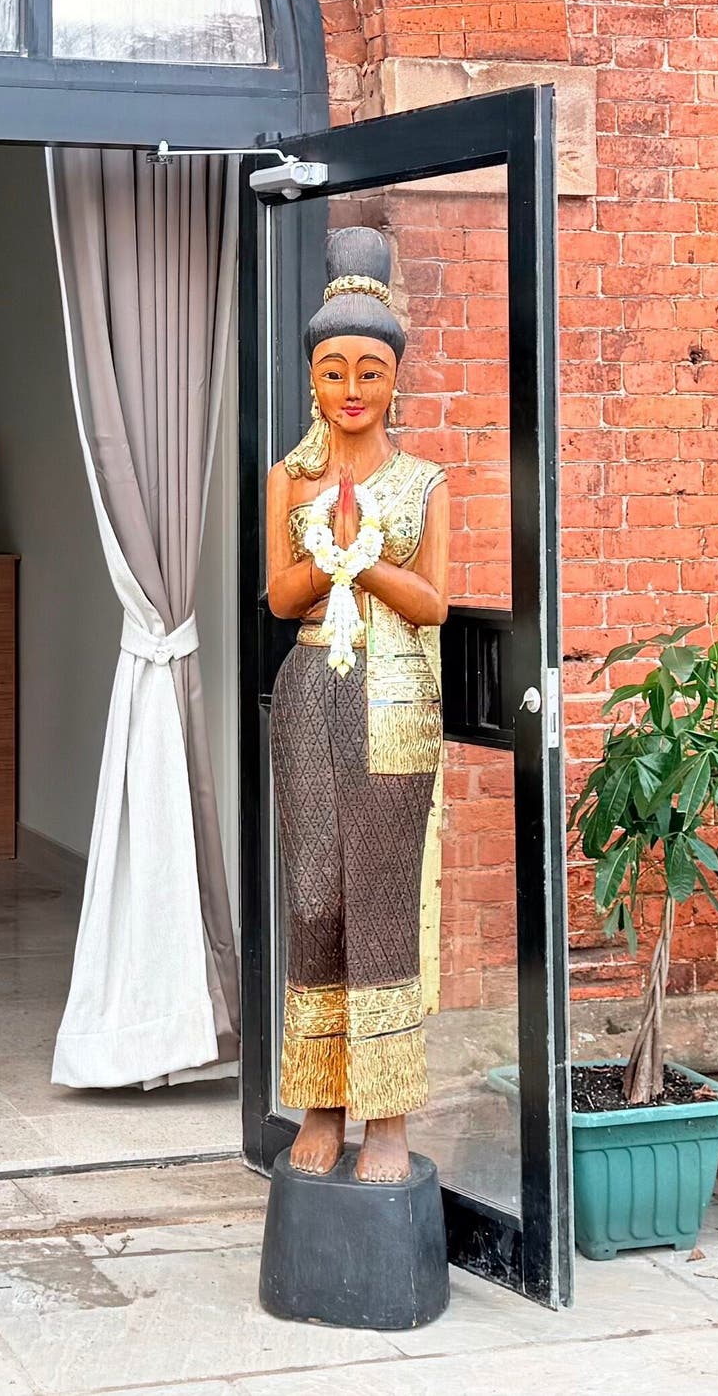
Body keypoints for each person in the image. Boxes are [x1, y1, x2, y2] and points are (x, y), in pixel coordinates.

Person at [262, 226, 452, 1184]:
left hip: (397, 696)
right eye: (333, 370)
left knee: (380, 898)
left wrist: (365, 555)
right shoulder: (290, 477)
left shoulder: (422, 481)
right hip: (309, 690)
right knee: (315, 893)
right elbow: (281, 596)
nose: (349, 390)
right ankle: (319, 1098)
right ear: (313, 378)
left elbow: (434, 603)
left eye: (367, 371)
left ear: (392, 380)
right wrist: (323, 549)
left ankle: (385, 1115)